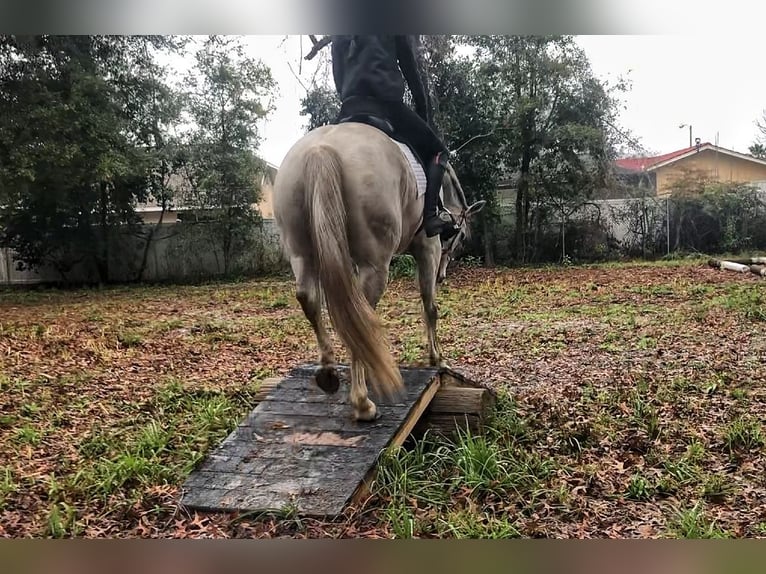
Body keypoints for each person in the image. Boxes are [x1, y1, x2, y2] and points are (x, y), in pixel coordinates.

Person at [330, 35, 459, 241]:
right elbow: (412, 73)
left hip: (349, 108)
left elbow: (337, 71)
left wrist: (347, 98)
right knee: (438, 152)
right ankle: (431, 216)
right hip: (387, 107)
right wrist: (423, 115)